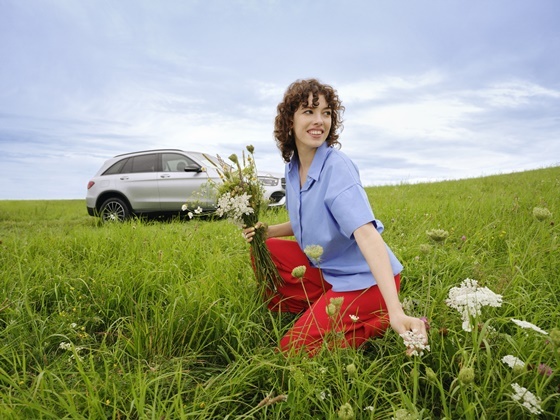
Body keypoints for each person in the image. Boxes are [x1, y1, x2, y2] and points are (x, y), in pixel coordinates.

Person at [243, 78, 427, 355]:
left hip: (366, 281)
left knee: (292, 349)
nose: (320, 120)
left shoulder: (337, 168)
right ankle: (317, 308)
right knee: (266, 249)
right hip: (328, 271)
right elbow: (308, 220)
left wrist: (396, 310)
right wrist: (268, 232)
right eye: (309, 111)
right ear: (289, 121)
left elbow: (366, 234)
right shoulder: (293, 169)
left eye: (326, 113)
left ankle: (378, 319)